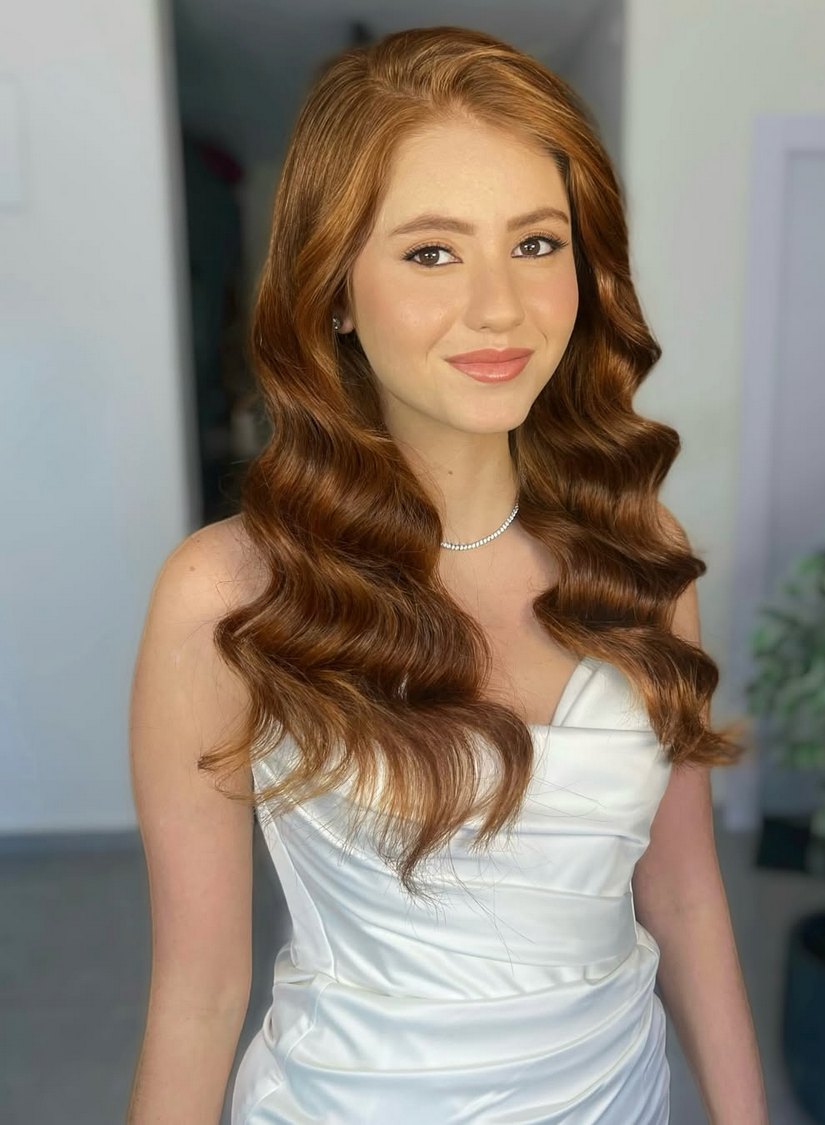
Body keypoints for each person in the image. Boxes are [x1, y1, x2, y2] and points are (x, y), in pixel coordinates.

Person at [126, 25, 768, 1125]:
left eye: (537, 243)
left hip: (618, 1097)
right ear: (334, 289)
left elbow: (684, 891)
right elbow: (201, 991)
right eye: (432, 252)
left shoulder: (641, 553)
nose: (499, 307)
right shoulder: (229, 595)